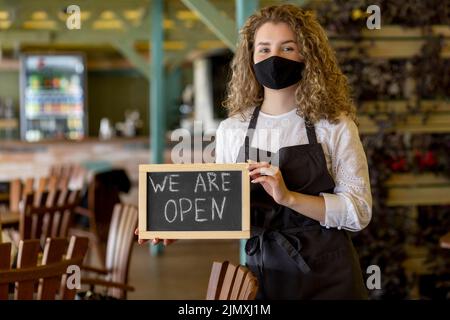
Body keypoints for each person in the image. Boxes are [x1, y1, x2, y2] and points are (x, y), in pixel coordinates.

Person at [136, 4, 372, 300]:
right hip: (265, 271)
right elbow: (225, 208)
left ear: (308, 55)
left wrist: (289, 197)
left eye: (287, 48)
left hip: (330, 275)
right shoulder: (233, 130)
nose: (274, 58)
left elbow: (358, 212)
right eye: (264, 49)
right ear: (250, 58)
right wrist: (178, 227)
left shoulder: (334, 126)